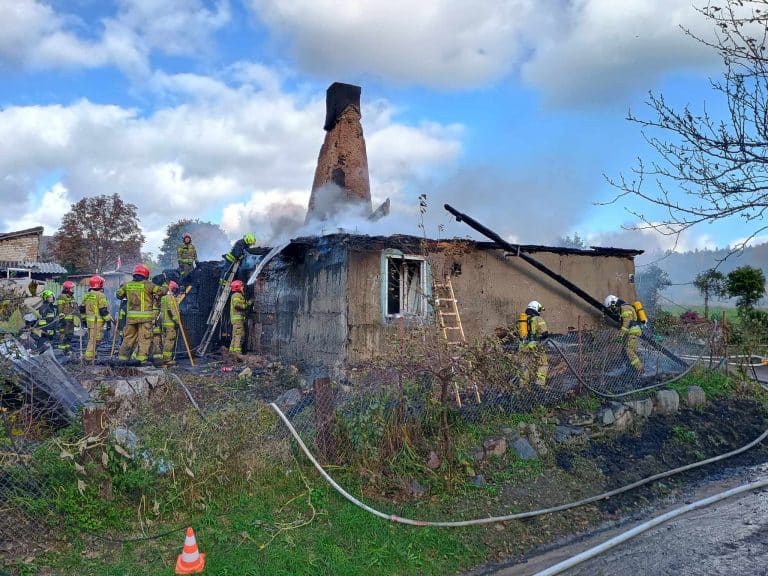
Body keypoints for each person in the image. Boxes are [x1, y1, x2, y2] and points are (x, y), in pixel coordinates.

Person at [116, 264, 162, 364]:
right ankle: (141, 360)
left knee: (128, 338)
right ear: (146, 275)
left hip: (131, 319)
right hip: (145, 319)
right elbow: (161, 292)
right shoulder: (149, 285)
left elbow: (118, 295)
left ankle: (122, 359)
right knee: (144, 339)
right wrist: (166, 286)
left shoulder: (127, 285)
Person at [604, 294, 644, 374]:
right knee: (627, 351)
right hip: (631, 332)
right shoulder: (623, 308)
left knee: (629, 350)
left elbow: (626, 324)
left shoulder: (625, 308)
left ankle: (640, 370)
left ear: (613, 303)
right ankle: (631, 368)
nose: (612, 309)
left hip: (632, 332)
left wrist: (620, 335)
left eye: (611, 307)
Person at [519, 300, 549, 388]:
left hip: (523, 347)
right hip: (535, 346)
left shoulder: (522, 320)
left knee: (525, 366)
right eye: (539, 309)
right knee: (542, 364)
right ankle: (539, 385)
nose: (540, 312)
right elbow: (545, 334)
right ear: (536, 308)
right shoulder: (538, 319)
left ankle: (523, 386)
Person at [82, 275, 113, 361]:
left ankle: (93, 354)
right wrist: (108, 322)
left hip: (89, 321)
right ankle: (89, 357)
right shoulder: (101, 295)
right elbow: (103, 310)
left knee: (91, 338)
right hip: (97, 322)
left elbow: (82, 308)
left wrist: (84, 320)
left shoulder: (87, 295)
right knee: (95, 339)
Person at [159, 281, 181, 365]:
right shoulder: (170, 298)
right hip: (170, 324)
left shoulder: (163, 298)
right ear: (173, 289)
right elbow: (173, 311)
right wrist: (178, 321)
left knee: (164, 340)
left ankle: (163, 358)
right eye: (176, 290)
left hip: (164, 323)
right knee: (170, 340)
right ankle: (167, 359)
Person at [56, 280, 79, 354]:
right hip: (65, 320)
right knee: (64, 335)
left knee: (70, 335)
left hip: (71, 320)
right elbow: (60, 308)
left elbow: (75, 308)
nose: (73, 290)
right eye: (72, 288)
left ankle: (68, 349)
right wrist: (61, 318)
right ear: (67, 289)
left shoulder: (72, 297)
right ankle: (61, 351)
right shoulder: (62, 297)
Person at [228, 280, 248, 355]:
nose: (243, 287)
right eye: (242, 286)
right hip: (238, 321)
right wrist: (246, 305)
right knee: (239, 336)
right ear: (238, 287)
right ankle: (237, 353)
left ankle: (231, 353)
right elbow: (237, 305)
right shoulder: (237, 295)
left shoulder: (236, 295)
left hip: (237, 321)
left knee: (235, 335)